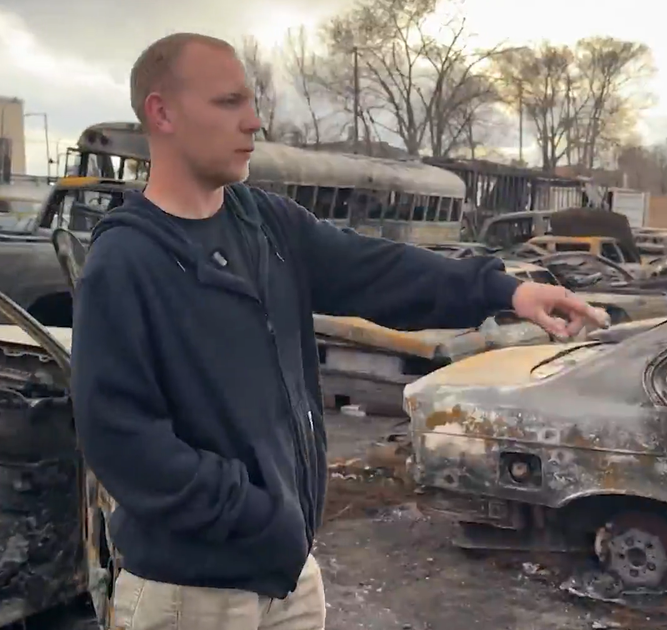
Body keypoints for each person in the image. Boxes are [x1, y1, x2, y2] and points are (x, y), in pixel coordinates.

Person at [71, 32, 607, 630]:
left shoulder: (266, 224)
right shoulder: (126, 262)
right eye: (229, 103)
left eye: (251, 103)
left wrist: (506, 290)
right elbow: (120, 439)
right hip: (192, 594)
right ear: (162, 112)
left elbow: (379, 271)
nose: (253, 122)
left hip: (289, 575)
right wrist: (253, 512)